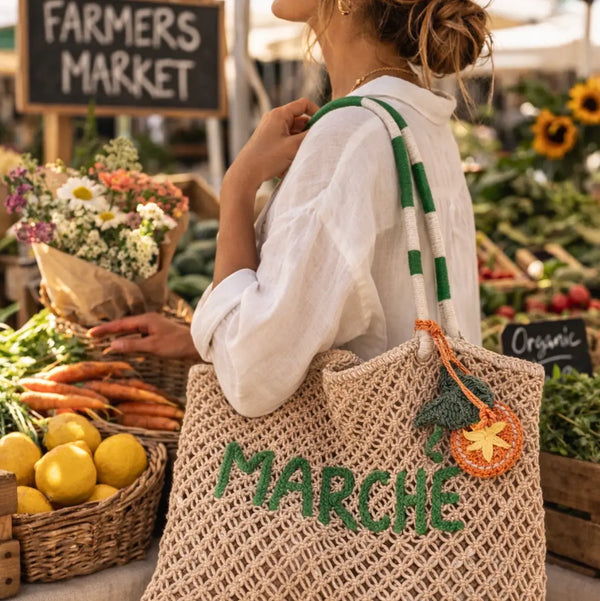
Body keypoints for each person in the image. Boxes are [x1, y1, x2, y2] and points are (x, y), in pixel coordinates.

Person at [90, 0, 489, 418]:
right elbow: (367, 314)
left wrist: (239, 185)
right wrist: (201, 341)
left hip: (342, 476)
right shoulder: (420, 121)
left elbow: (250, 377)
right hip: (409, 462)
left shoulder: (349, 135)